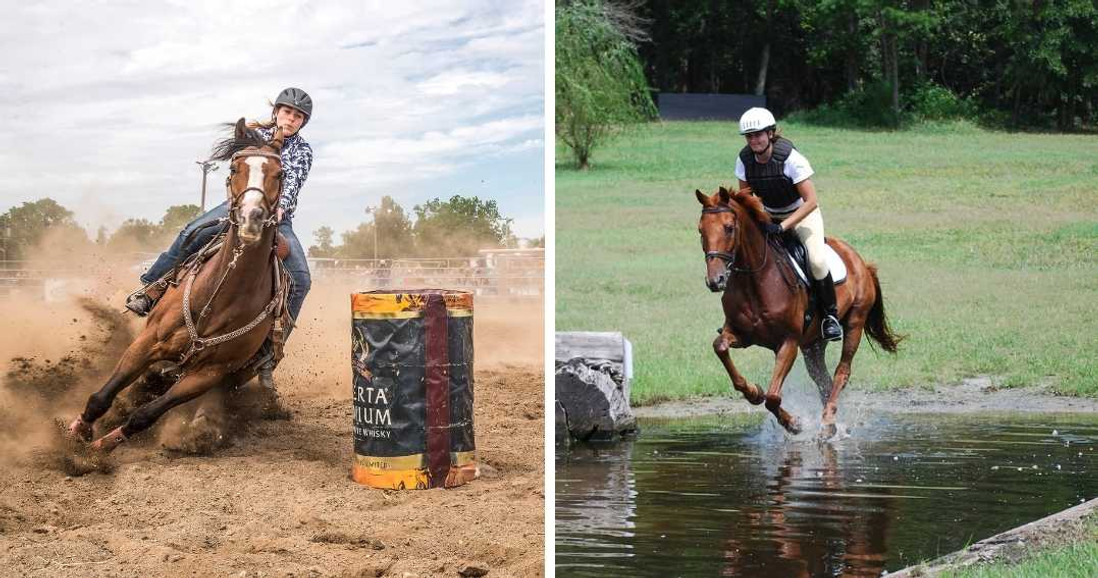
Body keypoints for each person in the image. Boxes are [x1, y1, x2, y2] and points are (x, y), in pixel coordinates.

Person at [126, 87, 316, 384]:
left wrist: (280, 210)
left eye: (298, 116)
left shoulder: (303, 151)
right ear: (276, 111)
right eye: (287, 112)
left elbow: (292, 184)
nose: (291, 119)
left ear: (303, 122)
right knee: (191, 232)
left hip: (277, 216)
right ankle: (150, 290)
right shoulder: (254, 137)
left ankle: (268, 350)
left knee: (301, 279)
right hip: (237, 206)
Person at [734, 106, 842, 341]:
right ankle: (739, 316)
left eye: (758, 134)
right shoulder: (743, 160)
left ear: (771, 133)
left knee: (816, 260)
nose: (754, 140)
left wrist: (782, 227)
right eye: (749, 136)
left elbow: (812, 201)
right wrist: (760, 221)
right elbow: (747, 199)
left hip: (802, 213)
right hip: (770, 215)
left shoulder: (792, 159)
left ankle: (830, 317)